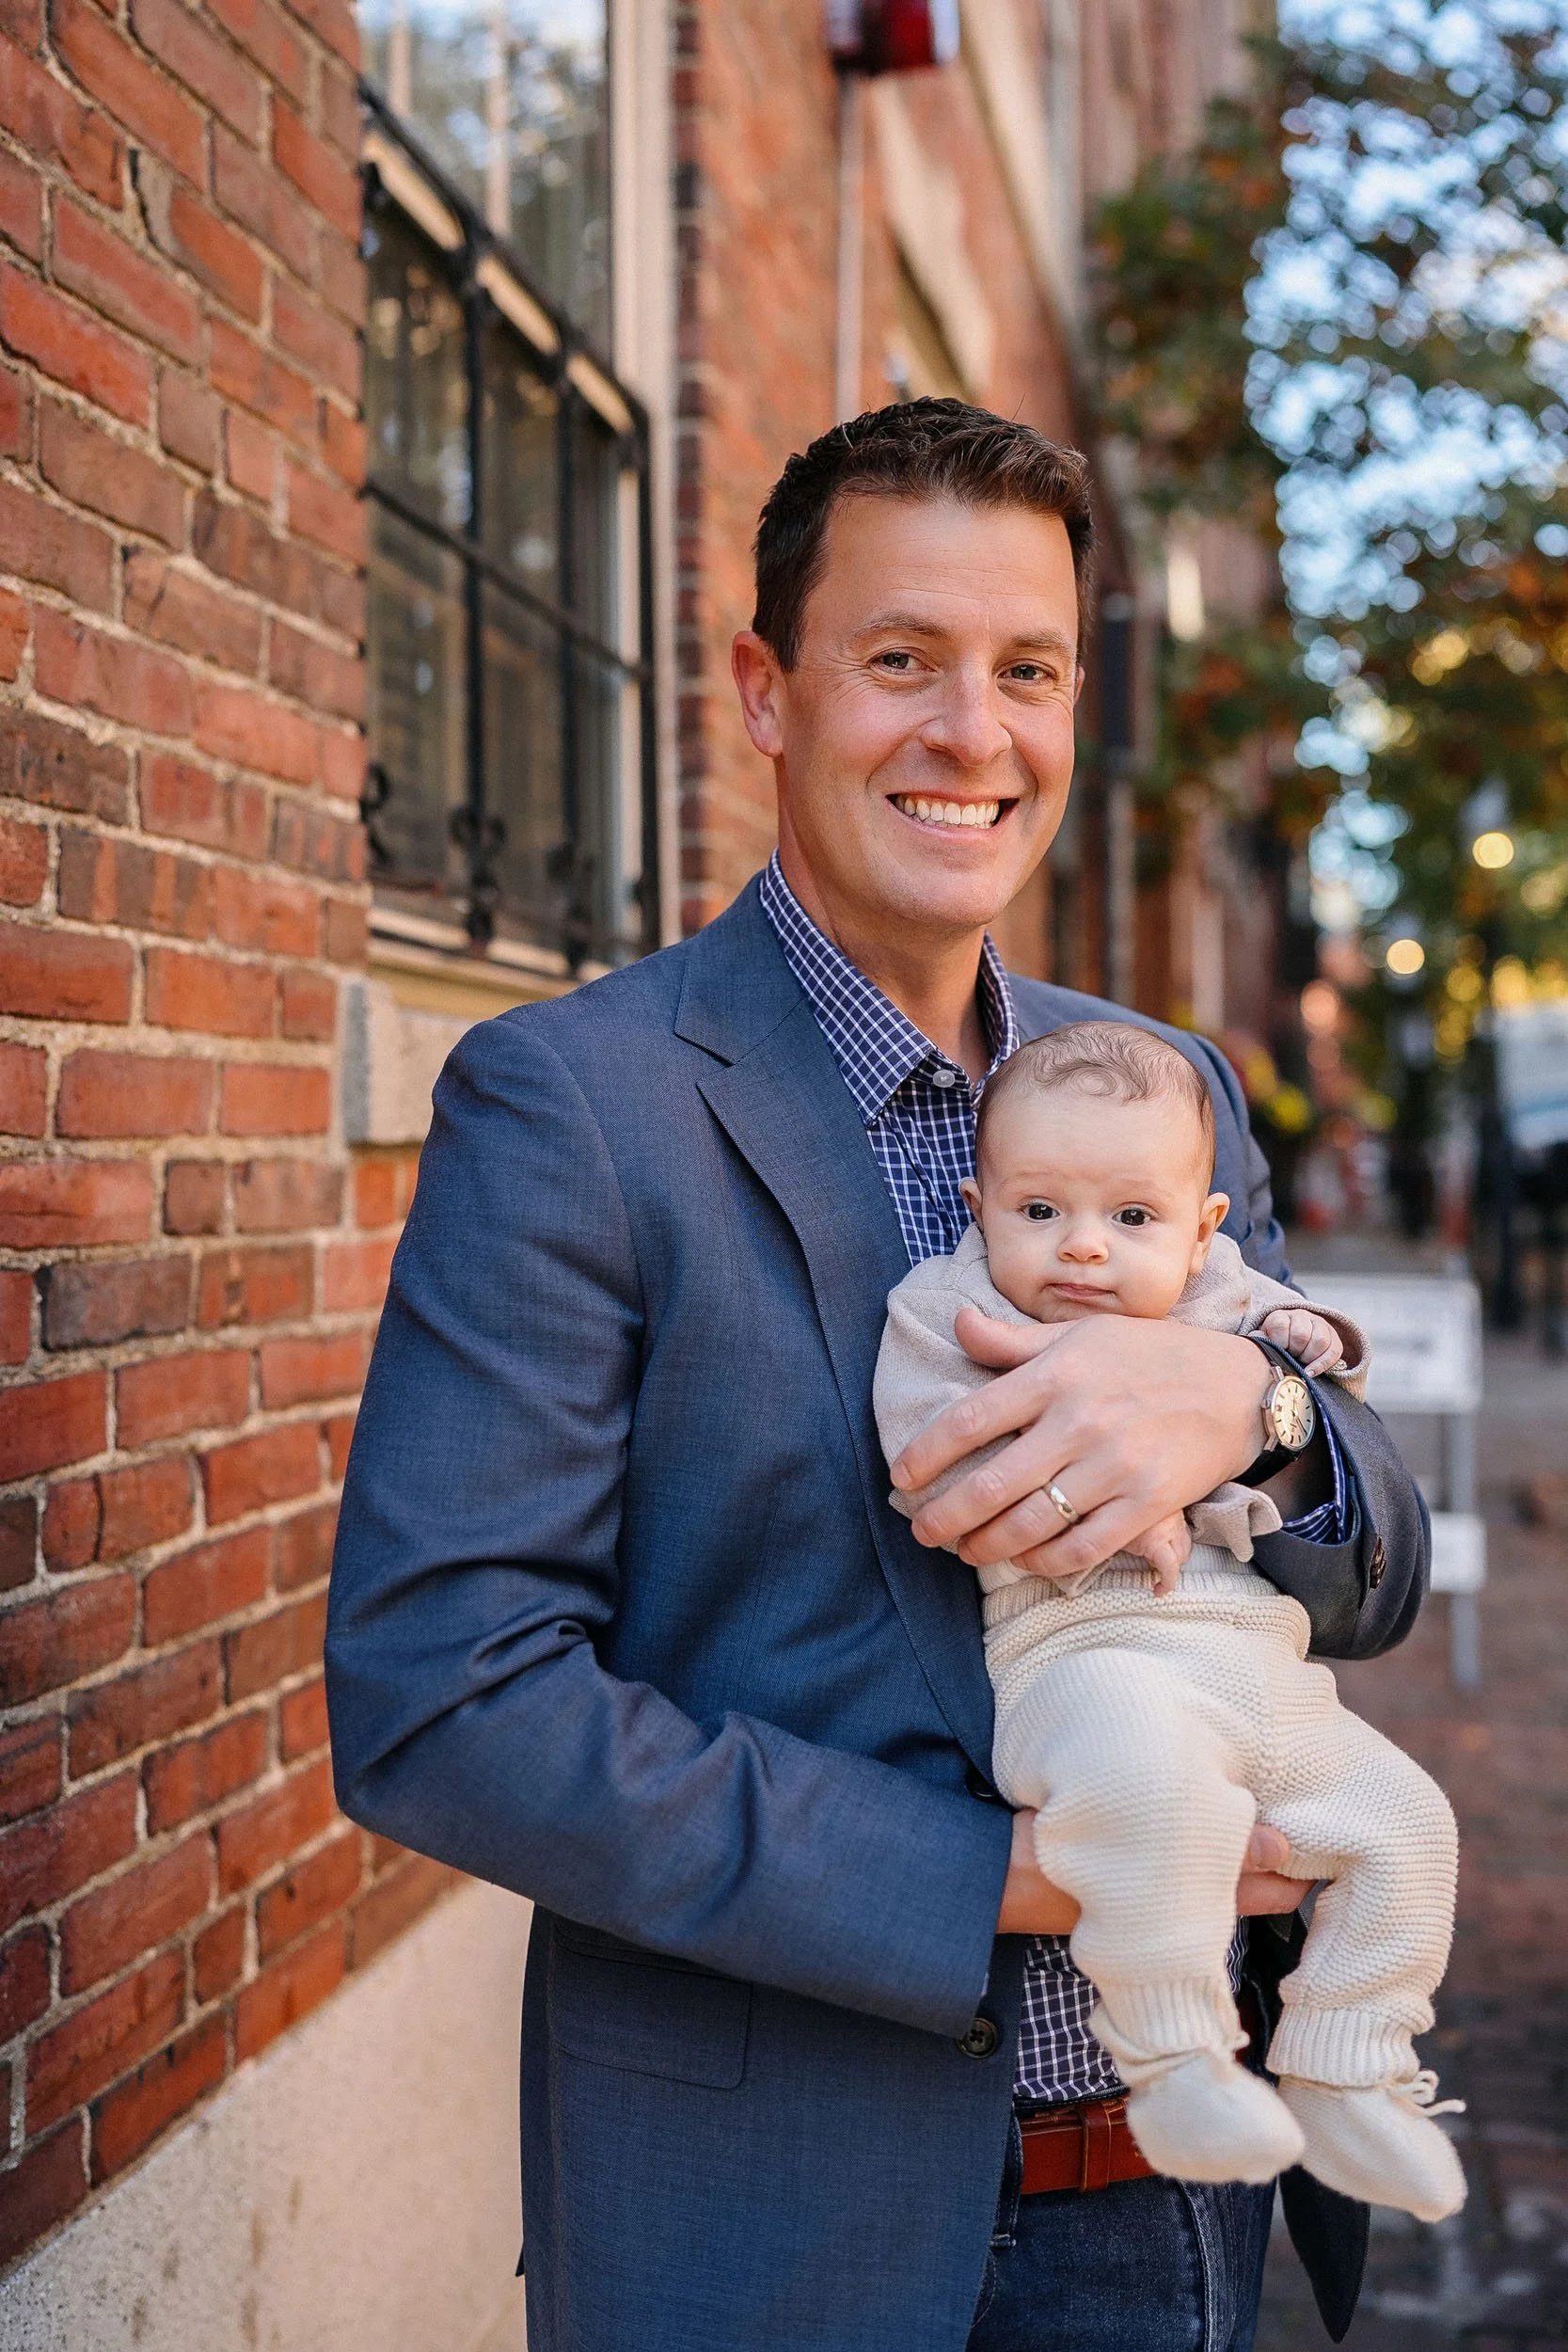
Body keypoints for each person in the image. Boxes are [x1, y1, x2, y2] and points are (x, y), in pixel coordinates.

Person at [325, 400, 1430, 2352]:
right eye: (897, 659)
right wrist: (999, 1875)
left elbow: (1368, 1561)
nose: (968, 733)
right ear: (764, 690)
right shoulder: (573, 1104)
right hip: (779, 2227)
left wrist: (1250, 1410)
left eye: (1025, 670)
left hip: (1177, 2207)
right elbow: (442, 1697)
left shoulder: (1158, 1089)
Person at [875, 1022, 1463, 2221]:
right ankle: (1175, 2059)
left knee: (1406, 1823)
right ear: (977, 1203)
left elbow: (1315, 1361)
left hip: (1262, 1673)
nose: (1082, 1246)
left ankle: (1348, 2062)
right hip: (1083, 1662)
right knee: (1157, 1806)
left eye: (1130, 1219)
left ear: (1200, 1227)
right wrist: (1109, 1498)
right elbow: (930, 1468)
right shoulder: (950, 1309)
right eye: (1038, 1211)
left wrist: (1270, 1385)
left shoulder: (1219, 1294)